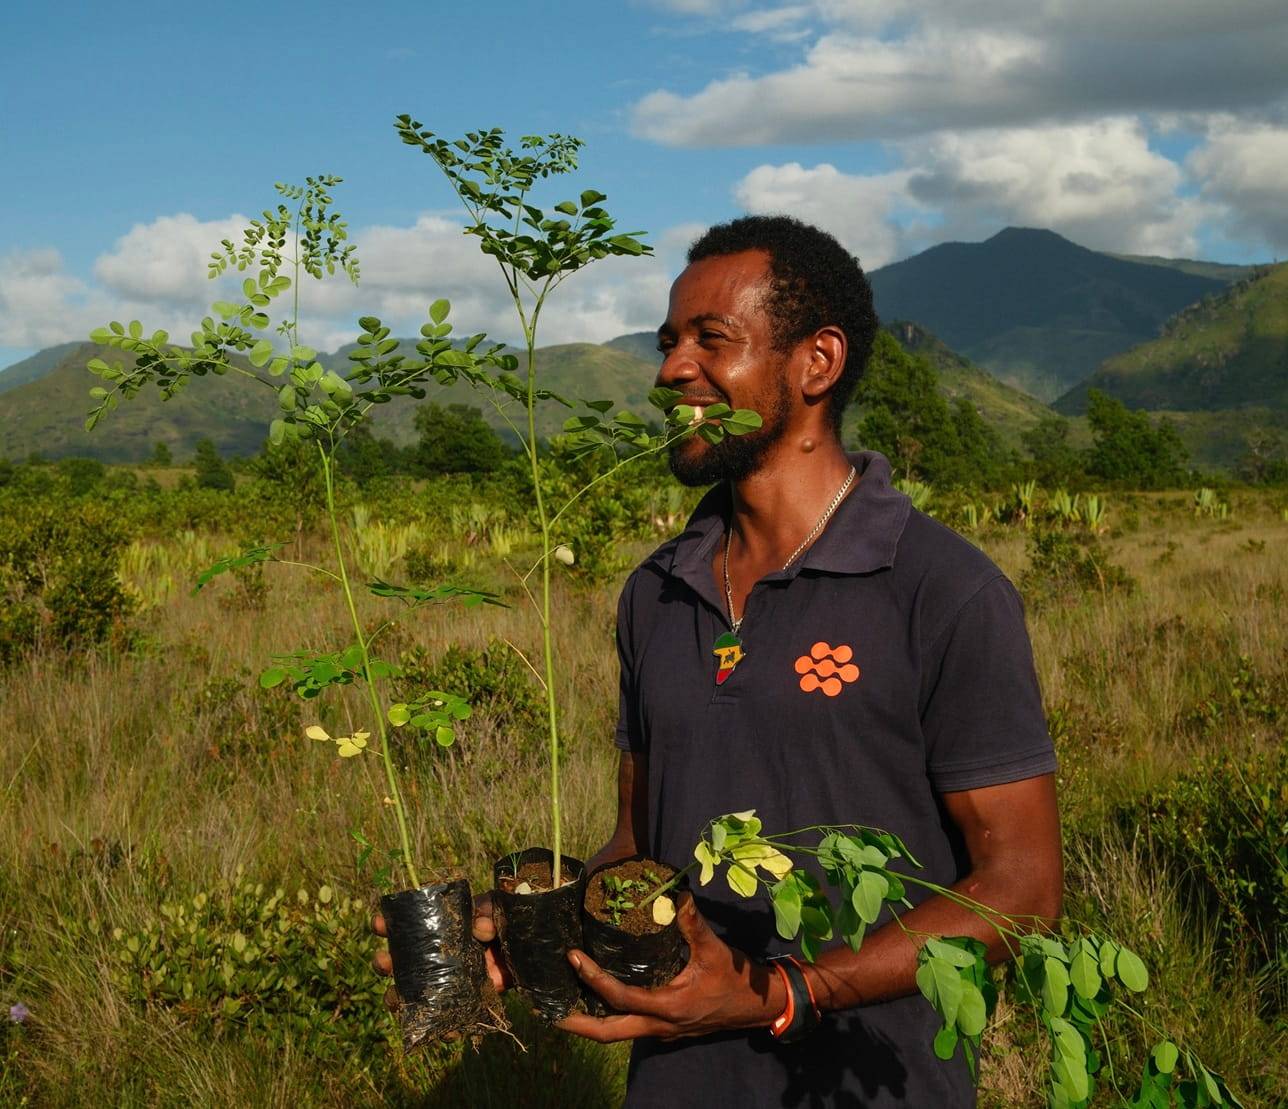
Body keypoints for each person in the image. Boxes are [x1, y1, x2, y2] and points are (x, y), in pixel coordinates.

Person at [376, 216, 1062, 1107]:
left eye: (711, 340)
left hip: (875, 1086)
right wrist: (523, 934)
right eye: (668, 343)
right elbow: (640, 844)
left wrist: (781, 996)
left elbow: (1022, 888)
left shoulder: (941, 589)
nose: (670, 371)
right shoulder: (655, 592)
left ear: (816, 363)